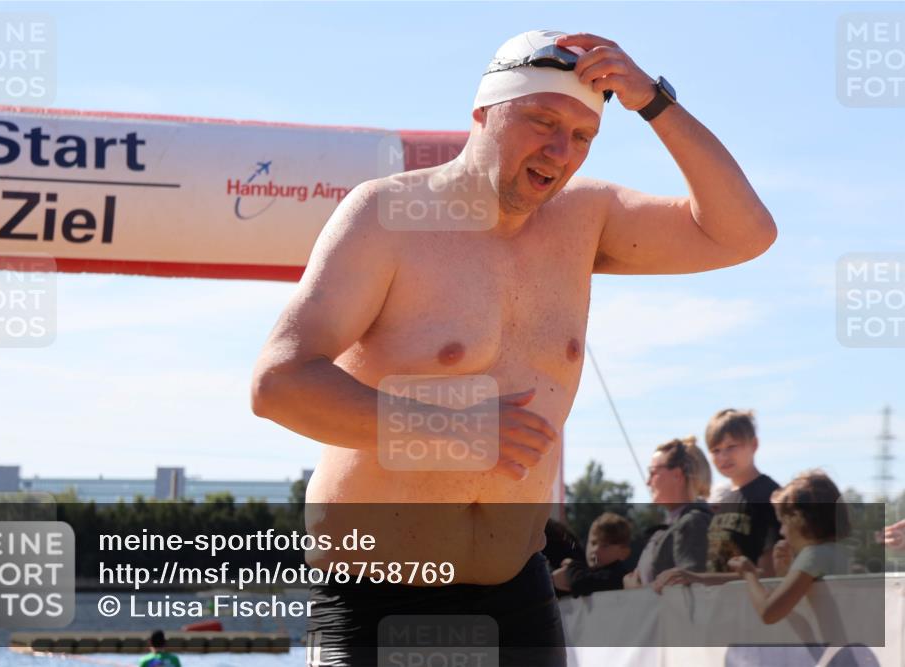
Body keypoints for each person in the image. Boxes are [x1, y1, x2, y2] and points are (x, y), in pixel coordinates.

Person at [252, 28, 776, 667]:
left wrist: (652, 102)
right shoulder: (387, 215)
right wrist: (452, 430)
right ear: (483, 114)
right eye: (541, 120)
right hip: (376, 591)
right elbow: (278, 383)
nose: (560, 149)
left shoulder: (586, 219)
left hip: (515, 590)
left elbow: (746, 234)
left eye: (583, 136)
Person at [653, 409, 781, 592]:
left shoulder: (770, 496)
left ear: (754, 444)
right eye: (716, 450)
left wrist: (698, 578)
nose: (723, 457)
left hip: (752, 611)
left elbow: (770, 574)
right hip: (720, 609)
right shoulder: (724, 500)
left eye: (731, 447)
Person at [728, 470, 851, 624]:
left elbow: (769, 613)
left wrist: (749, 573)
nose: (781, 532)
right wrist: (785, 572)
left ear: (798, 520)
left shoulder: (813, 555)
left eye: (783, 523)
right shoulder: (837, 551)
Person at [624, 437, 712, 589]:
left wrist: (637, 593)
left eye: (653, 472)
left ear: (677, 475)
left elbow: (691, 592)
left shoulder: (692, 522)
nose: (648, 481)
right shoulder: (680, 522)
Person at [552, 512, 631, 597]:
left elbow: (580, 583)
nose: (595, 550)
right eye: (593, 543)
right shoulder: (587, 571)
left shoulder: (618, 576)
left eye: (605, 545)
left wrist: (572, 567)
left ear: (624, 552)